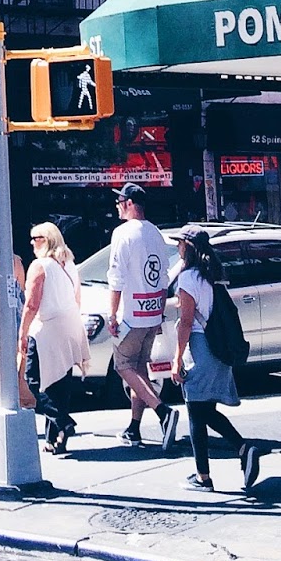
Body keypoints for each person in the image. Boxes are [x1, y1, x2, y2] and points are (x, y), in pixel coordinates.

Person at [172, 229, 263, 492]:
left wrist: (177, 359)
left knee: (195, 412)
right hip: (220, 348)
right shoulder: (213, 274)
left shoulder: (188, 278)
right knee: (205, 411)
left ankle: (205, 477)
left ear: (188, 247)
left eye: (180, 243)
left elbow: (186, 322)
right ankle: (242, 450)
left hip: (201, 347)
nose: (177, 248)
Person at [106, 182, 177, 447]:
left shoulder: (123, 233)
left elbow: (116, 278)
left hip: (131, 315)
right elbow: (163, 277)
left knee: (123, 366)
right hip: (151, 313)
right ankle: (134, 428)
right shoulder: (155, 233)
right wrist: (158, 311)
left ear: (129, 203)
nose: (116, 206)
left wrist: (112, 315)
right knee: (139, 371)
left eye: (119, 202)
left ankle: (163, 411)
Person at [18, 222, 91, 454]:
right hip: (70, 326)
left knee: (33, 380)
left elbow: (31, 304)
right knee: (59, 384)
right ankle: (55, 440)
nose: (32, 242)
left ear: (48, 240)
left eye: (36, 238)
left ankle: (63, 421)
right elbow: (77, 298)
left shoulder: (39, 266)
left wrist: (22, 332)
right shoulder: (69, 264)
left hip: (47, 329)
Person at [0, 219, 34, 412]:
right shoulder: (16, 261)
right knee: (11, 368)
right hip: (13, 318)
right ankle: (14, 403)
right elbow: (22, 291)